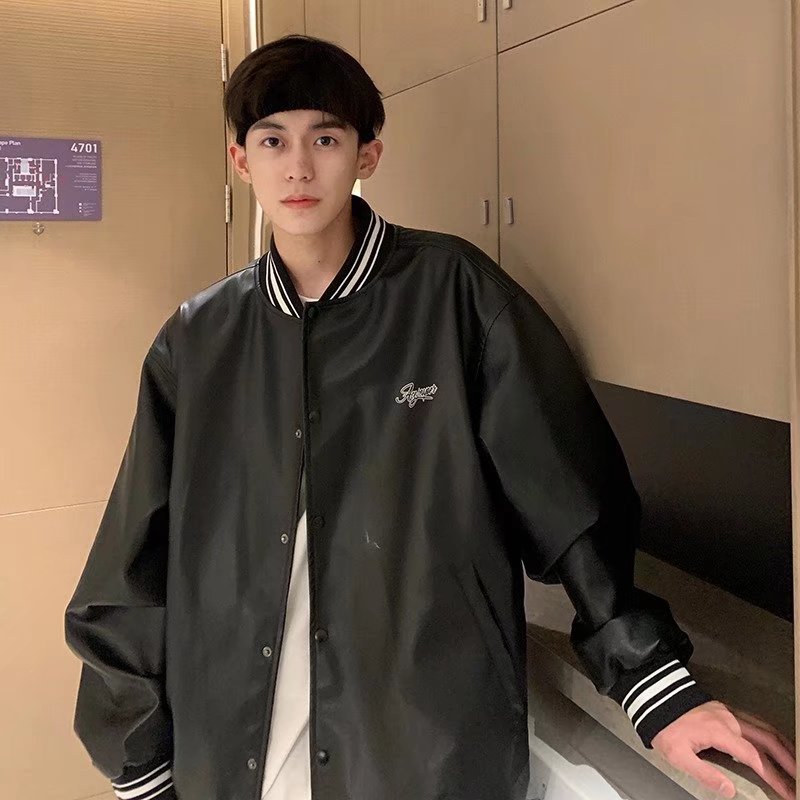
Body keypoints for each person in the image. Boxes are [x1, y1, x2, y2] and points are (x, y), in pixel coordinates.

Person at [65, 34, 796, 800]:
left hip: (421, 749)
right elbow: (133, 561)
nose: (299, 167)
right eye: (273, 140)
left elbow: (567, 499)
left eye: (326, 138)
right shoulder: (196, 342)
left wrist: (657, 685)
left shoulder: (457, 297)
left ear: (368, 154)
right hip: (237, 751)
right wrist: (139, 759)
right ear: (241, 160)